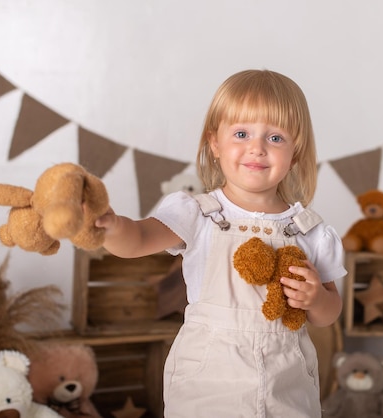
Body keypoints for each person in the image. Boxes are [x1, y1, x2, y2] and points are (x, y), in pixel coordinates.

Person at [96, 69, 346, 417]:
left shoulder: (310, 230)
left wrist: (316, 298)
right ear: (215, 144)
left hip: (286, 381)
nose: (256, 148)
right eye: (241, 133)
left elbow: (328, 314)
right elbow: (136, 240)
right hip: (209, 379)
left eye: (275, 138)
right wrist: (109, 226)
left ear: (297, 151)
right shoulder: (197, 214)